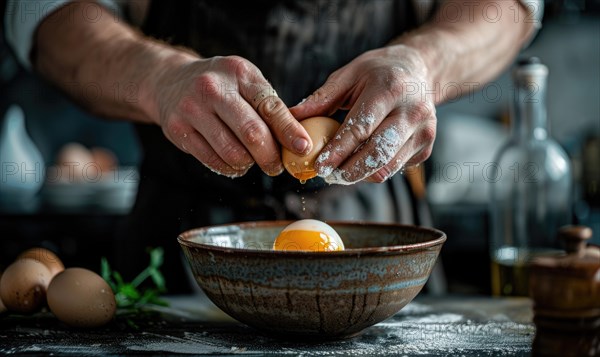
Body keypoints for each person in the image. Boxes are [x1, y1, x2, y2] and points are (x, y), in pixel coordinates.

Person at [4, 0, 542, 292]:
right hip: (178, 252)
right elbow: (40, 15)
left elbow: (510, 8)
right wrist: (157, 77)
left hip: (375, 256)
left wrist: (427, 63)